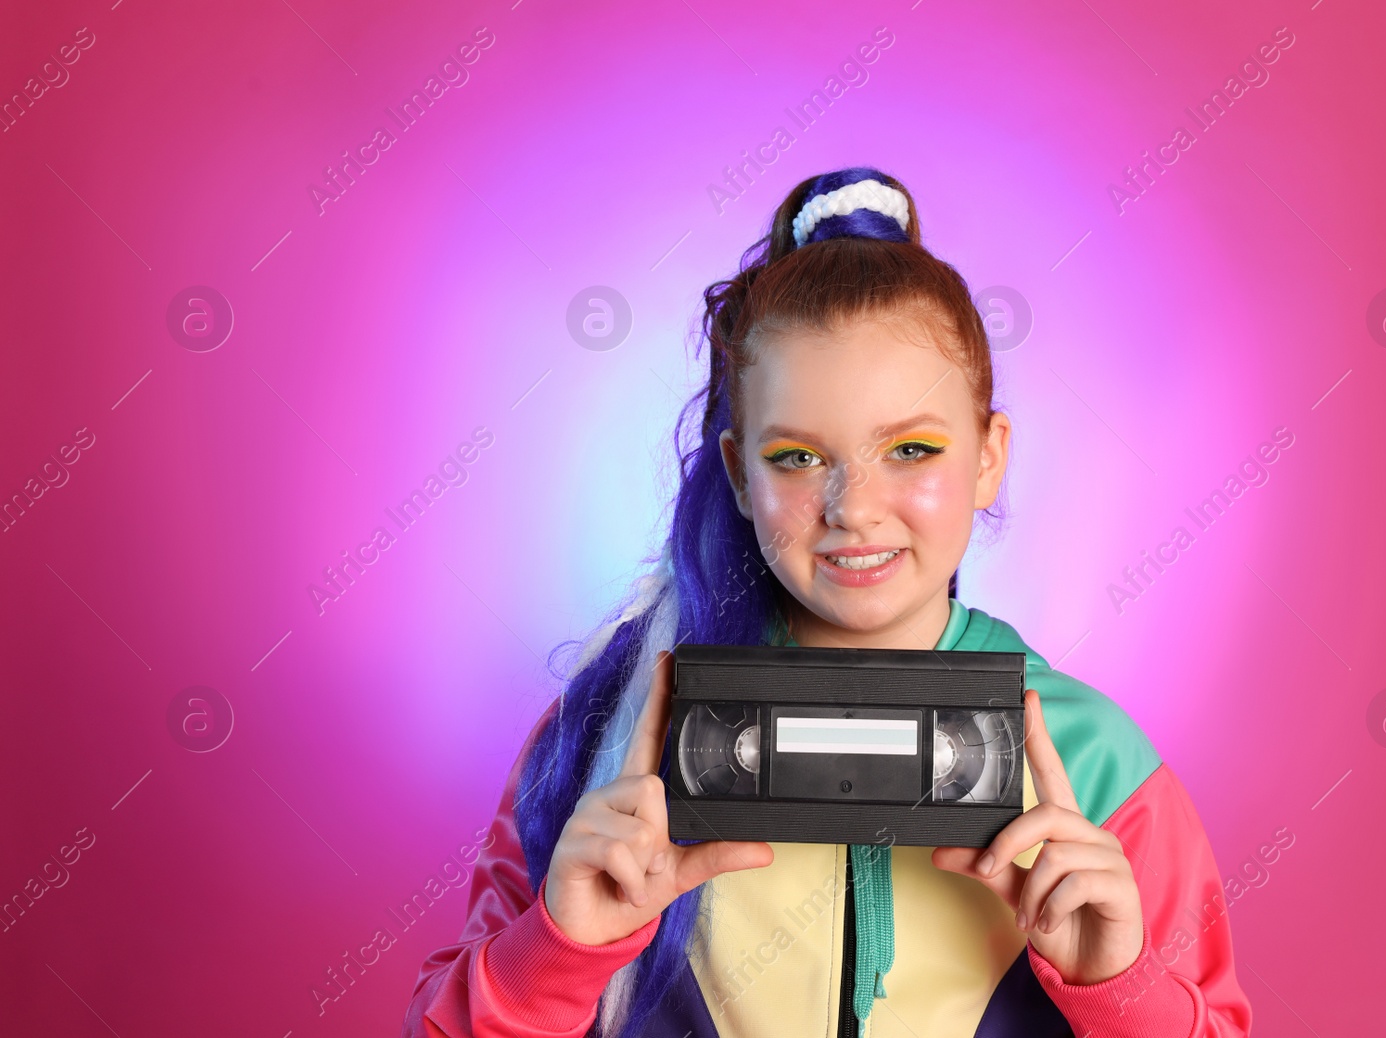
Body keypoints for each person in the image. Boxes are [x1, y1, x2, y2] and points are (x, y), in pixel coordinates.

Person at [403, 167, 1253, 1038]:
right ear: (738, 472)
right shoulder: (614, 735)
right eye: (799, 459)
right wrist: (558, 953)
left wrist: (1119, 990)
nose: (853, 506)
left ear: (991, 455)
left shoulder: (1099, 765)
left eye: (912, 449)